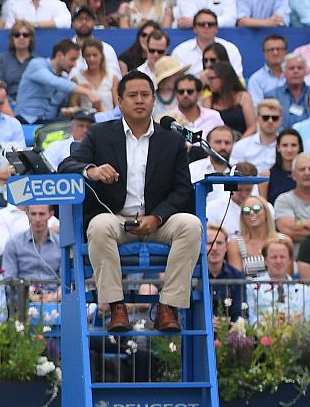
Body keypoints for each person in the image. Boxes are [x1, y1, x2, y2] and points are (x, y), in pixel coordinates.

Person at [59, 71, 203, 334]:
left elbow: (182, 189)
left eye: (145, 95)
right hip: (116, 219)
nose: (140, 100)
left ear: (154, 100)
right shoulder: (99, 134)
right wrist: (91, 170)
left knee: (191, 225)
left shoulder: (171, 140)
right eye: (133, 95)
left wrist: (157, 217)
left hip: (158, 220)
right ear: (119, 101)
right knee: (99, 226)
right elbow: (67, 164)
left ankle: (168, 307)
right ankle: (116, 306)